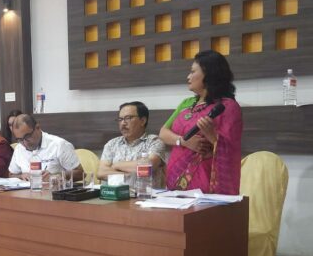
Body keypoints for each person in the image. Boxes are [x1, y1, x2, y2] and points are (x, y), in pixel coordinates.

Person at [162, 50, 242, 194]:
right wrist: (183, 141)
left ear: (209, 74)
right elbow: (163, 133)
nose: (188, 77)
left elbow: (231, 150)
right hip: (174, 183)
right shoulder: (187, 105)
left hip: (205, 189)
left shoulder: (227, 107)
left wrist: (212, 135)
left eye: (193, 72)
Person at [97, 102, 167, 188]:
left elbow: (148, 167)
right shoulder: (112, 144)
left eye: (128, 118)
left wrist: (116, 165)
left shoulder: (154, 141)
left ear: (142, 121)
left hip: (145, 195)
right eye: (120, 119)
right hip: (117, 194)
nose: (123, 123)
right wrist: (130, 175)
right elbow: (101, 173)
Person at [8, 114, 82, 181]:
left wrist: (58, 175)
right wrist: (21, 176)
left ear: (37, 128)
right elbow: (11, 175)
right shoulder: (19, 148)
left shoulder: (59, 145)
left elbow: (81, 173)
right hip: (27, 191)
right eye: (20, 139)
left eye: (27, 136)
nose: (25, 143)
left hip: (54, 190)